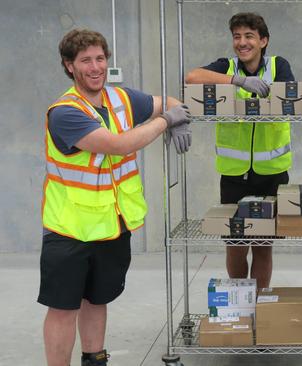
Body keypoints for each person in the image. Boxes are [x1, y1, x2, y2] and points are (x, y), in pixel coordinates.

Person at [39, 28, 191, 366]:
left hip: (112, 225)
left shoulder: (119, 99)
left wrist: (178, 117)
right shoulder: (65, 112)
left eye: (100, 58)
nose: (95, 67)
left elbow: (171, 101)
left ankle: (95, 361)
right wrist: (167, 121)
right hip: (70, 230)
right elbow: (119, 145)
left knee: (96, 299)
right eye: (85, 61)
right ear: (69, 66)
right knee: (64, 308)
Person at [185, 12, 295, 288]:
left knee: (262, 244)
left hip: (271, 173)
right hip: (234, 176)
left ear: (263, 41)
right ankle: (239, 301)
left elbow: (288, 95)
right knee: (235, 244)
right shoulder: (226, 66)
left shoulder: (277, 66)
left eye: (249, 36)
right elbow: (192, 76)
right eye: (237, 36)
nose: (242, 42)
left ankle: (257, 304)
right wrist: (237, 81)